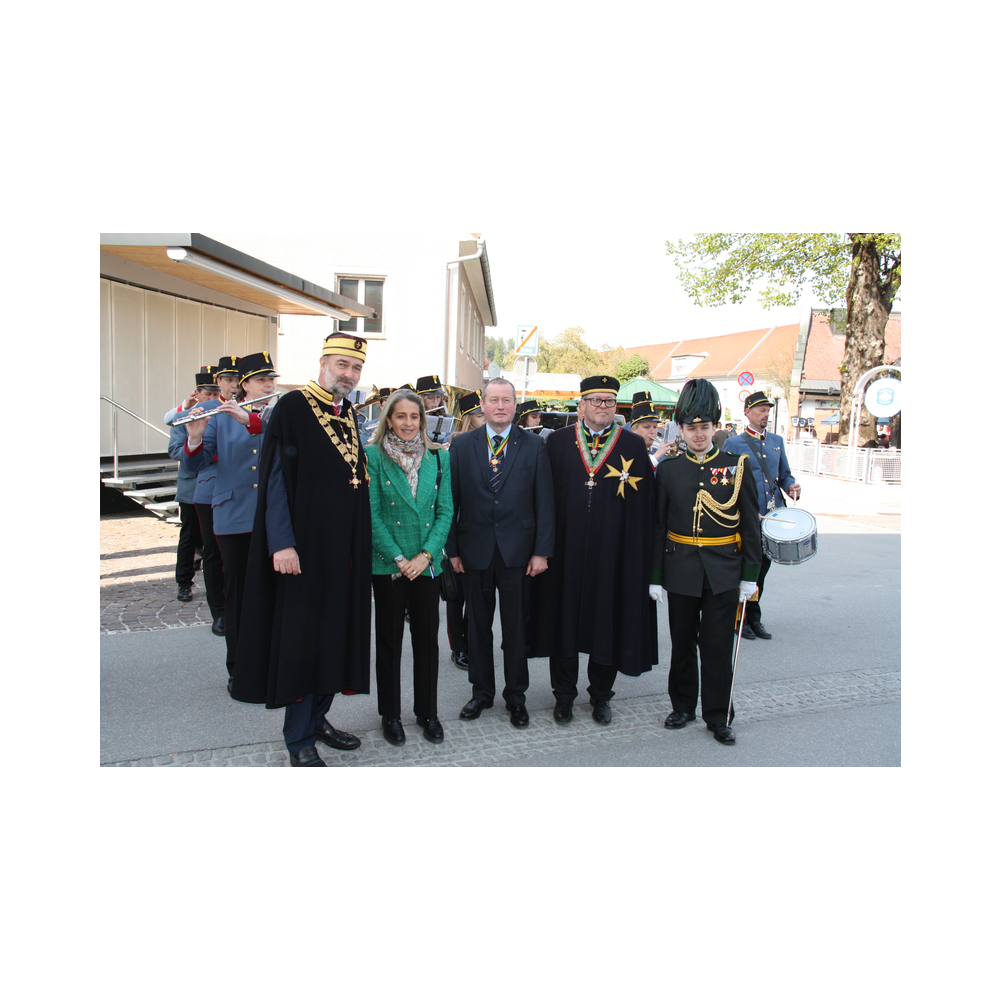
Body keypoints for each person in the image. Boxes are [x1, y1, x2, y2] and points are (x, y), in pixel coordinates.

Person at [229, 334, 371, 767]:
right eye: (342, 364)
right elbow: (274, 479)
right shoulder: (291, 407)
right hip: (303, 551)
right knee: (304, 644)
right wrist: (282, 542)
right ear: (324, 362)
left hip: (343, 552)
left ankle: (319, 718)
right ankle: (298, 739)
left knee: (337, 639)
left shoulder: (346, 412)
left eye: (356, 368)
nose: (349, 374)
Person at [529, 375, 656, 725]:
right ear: (581, 403)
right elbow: (539, 498)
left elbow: (645, 507)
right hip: (565, 553)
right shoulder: (554, 442)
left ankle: (601, 696)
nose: (603, 407)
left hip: (612, 555)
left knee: (606, 625)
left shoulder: (632, 445)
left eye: (609, 402)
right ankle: (564, 696)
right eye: (596, 400)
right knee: (564, 625)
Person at [651, 378, 762, 745]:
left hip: (723, 571)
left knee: (717, 646)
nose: (698, 435)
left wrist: (750, 575)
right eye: (690, 428)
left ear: (715, 427)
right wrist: (655, 576)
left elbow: (749, 525)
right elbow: (658, 526)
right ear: (680, 429)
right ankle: (682, 705)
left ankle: (718, 714)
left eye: (704, 427)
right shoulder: (668, 470)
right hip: (680, 567)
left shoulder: (737, 465)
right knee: (682, 644)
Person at [446, 377, 555, 727]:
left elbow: (545, 503)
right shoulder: (461, 446)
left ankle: (516, 696)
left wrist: (541, 552)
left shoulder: (534, 445)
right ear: (483, 406)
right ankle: (481, 693)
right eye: (494, 400)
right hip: (474, 551)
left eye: (507, 400)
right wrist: (453, 550)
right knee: (477, 628)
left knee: (516, 631)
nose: (501, 406)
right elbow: (450, 502)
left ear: (515, 406)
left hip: (519, 555)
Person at [180, 352, 278, 688]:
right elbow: (196, 464)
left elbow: (284, 445)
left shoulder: (278, 414)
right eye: (262, 380)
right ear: (245, 385)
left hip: (271, 516)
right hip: (233, 514)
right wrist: (193, 435)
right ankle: (239, 668)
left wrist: (249, 420)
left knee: (271, 591)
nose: (269, 384)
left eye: (271, 379)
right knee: (238, 593)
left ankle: (270, 662)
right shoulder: (218, 415)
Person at [365, 389, 453, 745]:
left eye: (414, 417)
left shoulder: (439, 459)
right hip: (389, 565)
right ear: (388, 418)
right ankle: (391, 714)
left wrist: (426, 556)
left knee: (426, 643)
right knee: (388, 643)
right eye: (400, 416)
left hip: (426, 565)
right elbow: (370, 515)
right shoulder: (372, 457)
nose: (408, 423)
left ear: (423, 420)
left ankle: (427, 712)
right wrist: (400, 559)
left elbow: (445, 513)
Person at [722, 390, 801, 640]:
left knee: (762, 569)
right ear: (748, 413)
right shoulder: (734, 443)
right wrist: (742, 510)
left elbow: (784, 474)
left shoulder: (777, 441)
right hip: (747, 517)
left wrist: (791, 486)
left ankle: (753, 617)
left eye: (768, 410)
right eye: (761, 410)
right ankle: (739, 618)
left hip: (772, 516)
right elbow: (725, 481)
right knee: (747, 567)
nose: (766, 414)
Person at [167, 370, 220, 603]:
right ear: (197, 394)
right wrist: (197, 452)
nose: (212, 398)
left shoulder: (222, 413)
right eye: (208, 394)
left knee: (213, 538)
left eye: (215, 393)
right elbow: (175, 450)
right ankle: (184, 582)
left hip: (216, 485)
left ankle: (215, 582)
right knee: (189, 536)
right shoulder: (185, 416)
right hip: (191, 485)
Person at [445, 390, 485, 671]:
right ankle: (457, 646)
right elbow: (449, 498)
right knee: (454, 595)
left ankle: (471, 643)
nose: (486, 419)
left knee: (474, 595)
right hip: (456, 530)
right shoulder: (456, 446)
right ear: (470, 418)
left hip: (478, 535)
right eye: (481, 415)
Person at [629, 392, 671, 467]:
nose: (653, 432)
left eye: (655, 427)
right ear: (634, 429)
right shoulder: (626, 452)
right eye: (647, 427)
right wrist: (656, 457)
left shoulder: (657, 452)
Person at [416, 374, 454, 446]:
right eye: (430, 398)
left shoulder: (447, 418)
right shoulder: (415, 418)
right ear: (421, 398)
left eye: (438, 397)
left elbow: (449, 437)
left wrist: (446, 443)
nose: (435, 401)